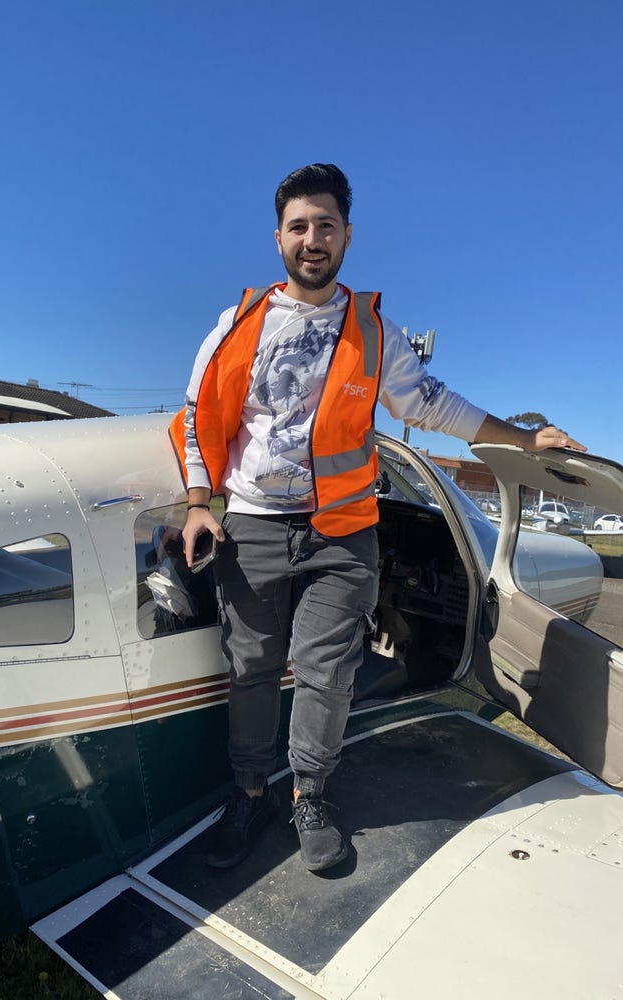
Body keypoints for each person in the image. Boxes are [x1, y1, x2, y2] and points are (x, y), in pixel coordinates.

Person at [169, 163, 585, 874]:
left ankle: (309, 794)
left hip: (341, 530)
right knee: (252, 670)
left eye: (326, 226)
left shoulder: (373, 331)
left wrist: (522, 439)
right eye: (299, 226)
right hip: (254, 526)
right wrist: (199, 504)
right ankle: (249, 792)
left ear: (347, 235)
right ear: (278, 239)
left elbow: (433, 403)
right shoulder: (236, 326)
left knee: (327, 673)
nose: (313, 239)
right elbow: (196, 417)